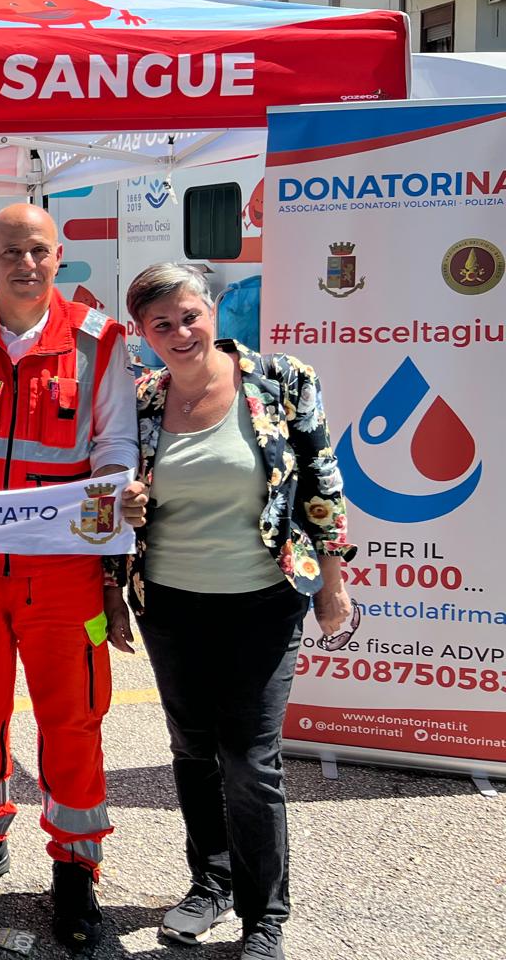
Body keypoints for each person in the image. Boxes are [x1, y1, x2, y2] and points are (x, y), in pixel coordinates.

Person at [0, 203, 137, 954]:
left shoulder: (101, 343)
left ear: (57, 253)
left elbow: (114, 452)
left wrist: (114, 508)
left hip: (63, 576)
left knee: (72, 723)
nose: (25, 264)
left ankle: (75, 869)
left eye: (37, 250)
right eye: (10, 250)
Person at [115, 264, 354, 960]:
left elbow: (322, 486)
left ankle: (263, 917)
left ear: (211, 309)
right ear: (143, 334)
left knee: (249, 760)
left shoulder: (282, 383)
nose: (180, 333)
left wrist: (332, 583)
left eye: (189, 315)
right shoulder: (143, 400)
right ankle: (209, 882)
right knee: (191, 750)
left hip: (262, 600)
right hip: (171, 603)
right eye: (161, 325)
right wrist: (126, 521)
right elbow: (120, 497)